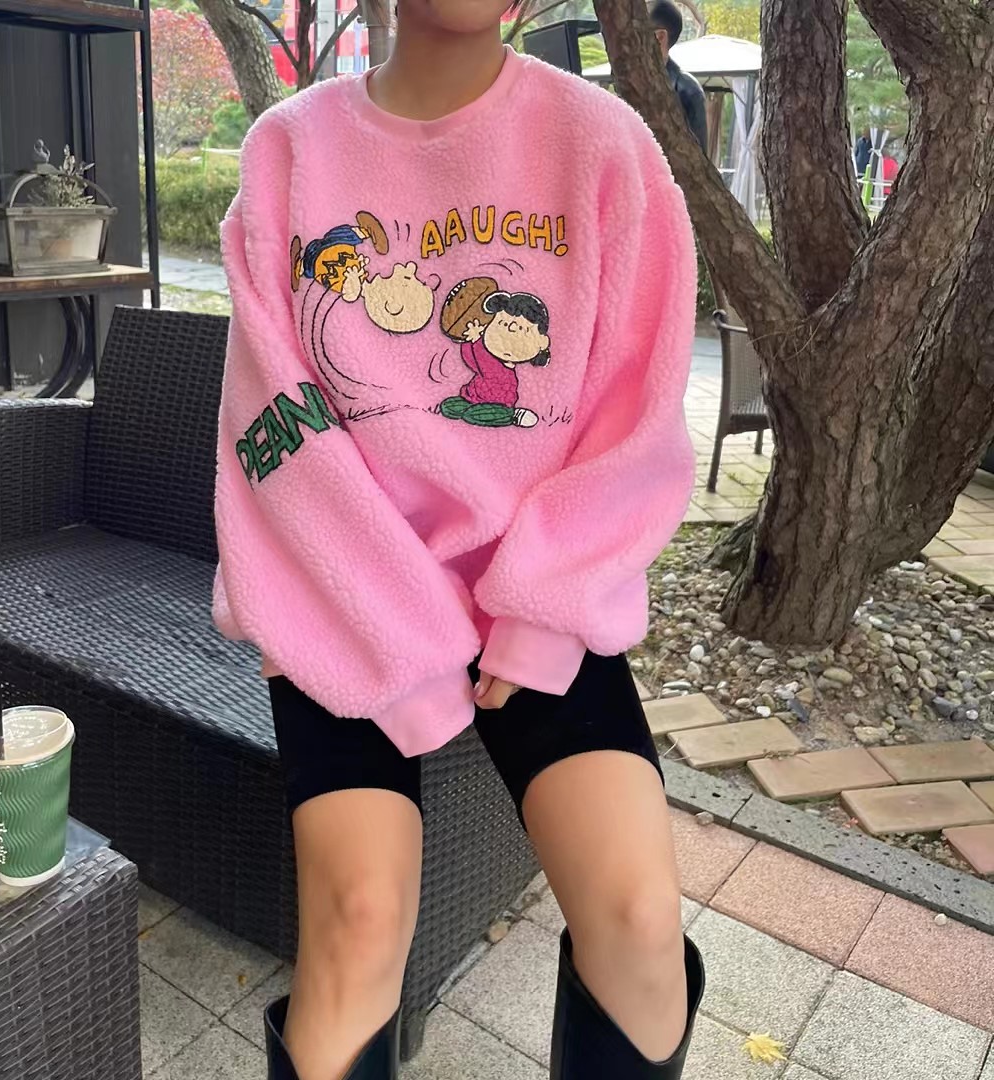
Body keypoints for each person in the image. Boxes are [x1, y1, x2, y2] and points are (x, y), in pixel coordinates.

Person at [212, 1, 704, 1077]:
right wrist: (402, 651)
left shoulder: (604, 148)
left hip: (540, 590)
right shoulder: (288, 153)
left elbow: (638, 416)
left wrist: (539, 614)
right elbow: (273, 432)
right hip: (344, 600)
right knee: (357, 918)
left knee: (640, 918)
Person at [649, 0, 708, 154]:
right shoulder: (626, 82)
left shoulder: (688, 90)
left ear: (660, 37)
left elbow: (699, 157)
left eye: (637, 33)